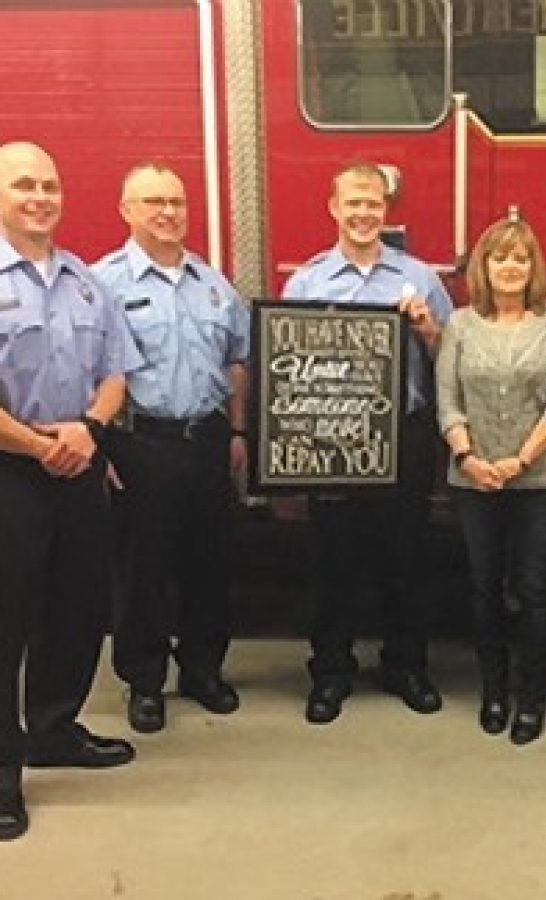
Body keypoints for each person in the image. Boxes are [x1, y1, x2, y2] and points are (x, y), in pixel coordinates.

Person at [0, 142, 142, 840]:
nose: (39, 196)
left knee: (80, 604)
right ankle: (2, 776)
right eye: (23, 184)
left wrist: (88, 428)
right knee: (6, 623)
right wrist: (39, 444)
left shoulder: (88, 281)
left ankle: (55, 728)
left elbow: (117, 370)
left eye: (50, 185)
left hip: (79, 462)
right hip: (10, 470)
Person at [282, 162, 453, 724]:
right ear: (333, 207)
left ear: (387, 211)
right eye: (353, 203)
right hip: (332, 436)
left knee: (406, 558)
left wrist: (428, 328)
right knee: (333, 562)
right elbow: (286, 369)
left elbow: (450, 362)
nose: (363, 213)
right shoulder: (306, 283)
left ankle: (407, 666)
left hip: (404, 434)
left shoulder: (420, 278)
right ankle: (331, 671)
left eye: (373, 204)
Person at [93, 163, 250, 734]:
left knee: (210, 563)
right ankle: (143, 680)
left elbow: (238, 361)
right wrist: (101, 448)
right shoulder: (101, 284)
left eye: (176, 201)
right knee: (142, 569)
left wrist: (236, 433)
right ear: (125, 209)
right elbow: (87, 372)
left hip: (205, 440)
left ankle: (203, 670)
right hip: (140, 442)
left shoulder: (214, 284)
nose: (167, 212)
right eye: (153, 201)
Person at [436, 217, 546, 745]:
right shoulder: (458, 325)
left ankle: (531, 698)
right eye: (500, 257)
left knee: (534, 590)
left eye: (520, 257)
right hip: (472, 479)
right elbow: (448, 402)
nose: (511, 266)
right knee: (484, 590)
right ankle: (492, 692)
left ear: (533, 267)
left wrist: (521, 460)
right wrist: (470, 457)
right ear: (484, 266)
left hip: (539, 479)